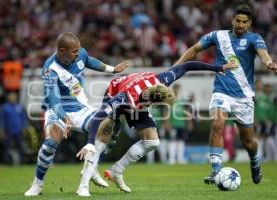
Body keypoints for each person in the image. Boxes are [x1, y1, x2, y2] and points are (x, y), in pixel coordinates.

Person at [76, 60, 236, 196]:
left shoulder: (163, 80)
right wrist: (89, 141)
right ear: (153, 100)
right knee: (106, 134)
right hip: (115, 90)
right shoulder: (124, 98)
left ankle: (116, 171)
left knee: (152, 141)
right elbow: (98, 116)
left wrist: (218, 68)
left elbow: (186, 66)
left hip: (139, 100)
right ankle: (84, 184)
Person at [174, 4, 277, 185]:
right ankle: (215, 170)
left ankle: (254, 160)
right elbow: (195, 49)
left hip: (244, 97)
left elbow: (263, 54)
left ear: (249, 23)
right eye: (238, 20)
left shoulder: (254, 38)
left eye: (244, 22)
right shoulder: (218, 36)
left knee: (248, 142)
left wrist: (269, 63)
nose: (240, 24)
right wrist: (177, 67)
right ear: (232, 20)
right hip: (222, 91)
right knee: (217, 123)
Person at [24, 32, 130, 196]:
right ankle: (37, 184)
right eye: (74, 52)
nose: (77, 54)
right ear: (62, 51)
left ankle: (91, 168)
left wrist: (113, 69)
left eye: (78, 50)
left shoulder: (80, 53)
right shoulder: (50, 69)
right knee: (50, 144)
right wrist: (64, 117)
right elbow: (53, 99)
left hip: (81, 109)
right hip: (58, 110)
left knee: (111, 124)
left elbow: (90, 61)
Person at [0, 92, 28, 165]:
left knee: (20, 147)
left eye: (14, 97)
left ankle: (22, 162)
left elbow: (23, 118)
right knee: (6, 147)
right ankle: (6, 162)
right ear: (9, 98)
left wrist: (24, 127)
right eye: (11, 97)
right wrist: (1, 130)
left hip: (19, 131)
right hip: (8, 131)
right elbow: (2, 120)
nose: (13, 98)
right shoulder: (5, 107)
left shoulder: (20, 107)